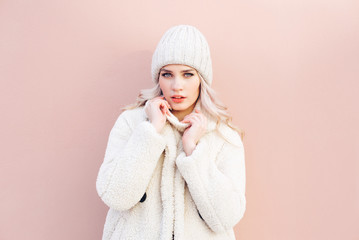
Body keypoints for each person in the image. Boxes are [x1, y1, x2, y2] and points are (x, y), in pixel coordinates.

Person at [96, 24, 246, 240]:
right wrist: (150, 132)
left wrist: (193, 151)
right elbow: (115, 195)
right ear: (158, 78)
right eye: (167, 74)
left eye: (187, 74)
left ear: (201, 79)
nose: (177, 85)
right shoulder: (132, 122)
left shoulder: (223, 135)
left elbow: (226, 217)